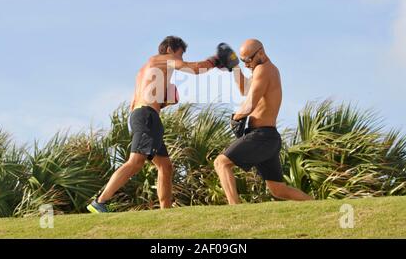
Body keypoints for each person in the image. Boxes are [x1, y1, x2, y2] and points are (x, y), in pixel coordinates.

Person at [87, 36, 238, 213]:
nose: (180, 60)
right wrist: (214, 60)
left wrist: (165, 102)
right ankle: (100, 201)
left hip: (144, 116)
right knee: (136, 162)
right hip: (146, 117)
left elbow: (137, 101)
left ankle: (165, 212)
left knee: (165, 166)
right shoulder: (162, 59)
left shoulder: (146, 70)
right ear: (169, 50)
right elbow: (195, 69)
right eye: (180, 55)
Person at [214, 39, 313, 204]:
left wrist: (236, 117)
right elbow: (245, 89)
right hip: (268, 138)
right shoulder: (262, 70)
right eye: (243, 60)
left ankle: (234, 210)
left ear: (261, 52)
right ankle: (318, 206)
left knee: (221, 163)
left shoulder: (264, 70)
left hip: (262, 136)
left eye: (248, 60)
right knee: (278, 190)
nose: (246, 64)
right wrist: (235, 67)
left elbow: (250, 104)